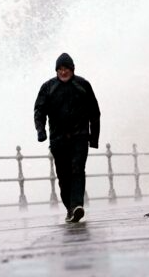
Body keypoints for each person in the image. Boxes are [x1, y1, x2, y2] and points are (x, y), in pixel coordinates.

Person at [34, 53, 101, 223]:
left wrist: (93, 139)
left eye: (66, 69)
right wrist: (41, 131)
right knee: (64, 177)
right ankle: (70, 209)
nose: (63, 72)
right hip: (58, 140)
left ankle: (77, 205)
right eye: (60, 69)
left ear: (72, 69)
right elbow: (39, 111)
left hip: (80, 138)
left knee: (77, 170)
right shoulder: (48, 87)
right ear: (56, 71)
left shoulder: (83, 85)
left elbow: (94, 112)